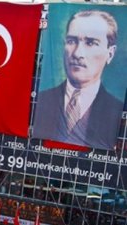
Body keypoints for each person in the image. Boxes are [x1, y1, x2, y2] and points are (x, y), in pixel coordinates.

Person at [33, 10, 123, 150]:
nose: (77, 53)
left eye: (91, 43)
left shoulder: (116, 108)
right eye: (71, 41)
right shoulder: (42, 98)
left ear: (110, 53)